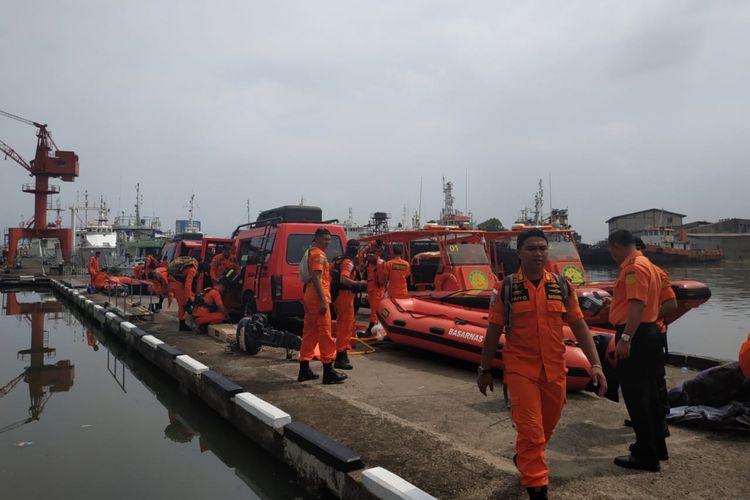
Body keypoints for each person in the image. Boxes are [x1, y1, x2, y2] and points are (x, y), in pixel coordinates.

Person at [477, 228, 606, 500]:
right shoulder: (507, 288)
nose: (538, 253)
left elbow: (580, 326)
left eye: (542, 248)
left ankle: (525, 458)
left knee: (546, 427)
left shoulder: (561, 286)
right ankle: (537, 487)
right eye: (531, 248)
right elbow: (493, 331)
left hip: (555, 370)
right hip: (521, 371)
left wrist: (596, 365)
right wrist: (485, 369)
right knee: (532, 431)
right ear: (519, 253)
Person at [607, 229, 666, 471]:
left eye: (610, 250)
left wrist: (626, 338)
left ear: (616, 246)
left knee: (636, 395)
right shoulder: (648, 264)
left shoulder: (632, 267)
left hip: (637, 335)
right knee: (651, 394)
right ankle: (657, 448)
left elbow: (637, 304)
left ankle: (645, 454)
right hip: (649, 332)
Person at [298, 228, 347, 384]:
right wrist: (324, 301)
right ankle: (328, 371)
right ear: (317, 239)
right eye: (325, 239)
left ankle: (304, 369)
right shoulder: (318, 254)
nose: (328, 242)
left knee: (309, 333)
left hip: (310, 297)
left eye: (329, 239)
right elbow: (317, 278)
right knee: (325, 334)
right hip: (318, 298)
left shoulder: (311, 252)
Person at [332, 240, 367, 370]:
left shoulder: (337, 260)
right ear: (357, 250)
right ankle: (340, 357)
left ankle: (343, 353)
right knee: (345, 327)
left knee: (343, 325)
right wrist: (359, 284)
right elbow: (343, 279)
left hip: (338, 296)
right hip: (344, 297)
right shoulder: (348, 263)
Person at [364, 240, 386, 335]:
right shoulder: (369, 263)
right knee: (373, 309)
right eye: (368, 254)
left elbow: (383, 279)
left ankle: (372, 327)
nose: (369, 256)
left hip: (377, 289)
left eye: (371, 254)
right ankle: (374, 327)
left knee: (375, 310)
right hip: (370, 289)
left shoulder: (380, 263)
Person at [169, 259, 197, 332]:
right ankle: (182, 325)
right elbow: (188, 284)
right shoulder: (192, 270)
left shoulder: (188, 268)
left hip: (175, 285)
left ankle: (182, 324)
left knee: (182, 306)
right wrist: (189, 297)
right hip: (178, 286)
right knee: (182, 306)